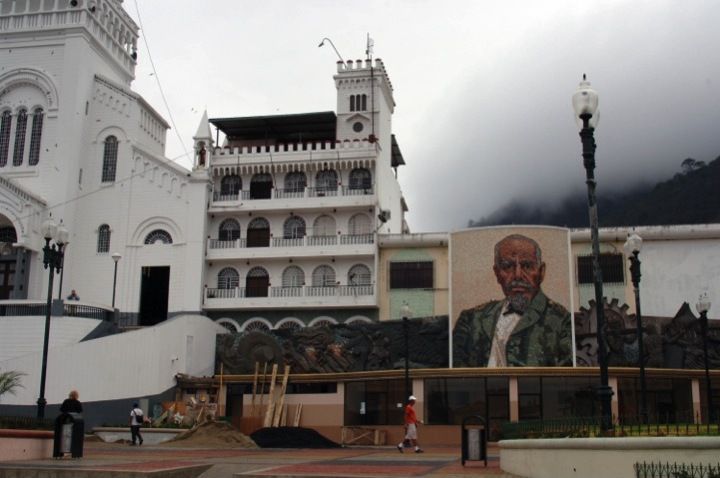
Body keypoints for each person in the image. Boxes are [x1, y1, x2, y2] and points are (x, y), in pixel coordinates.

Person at [453, 234, 572, 367]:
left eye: (527, 266)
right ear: (497, 273)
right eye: (507, 266)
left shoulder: (562, 321)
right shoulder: (471, 320)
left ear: (541, 272)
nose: (517, 275)